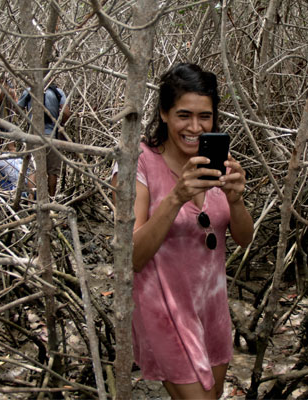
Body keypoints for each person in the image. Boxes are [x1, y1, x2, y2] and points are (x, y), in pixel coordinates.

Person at [112, 63, 254, 399]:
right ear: (163, 113)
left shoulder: (215, 161)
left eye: (205, 116)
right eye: (183, 115)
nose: (195, 127)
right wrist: (176, 197)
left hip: (211, 307)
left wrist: (236, 201)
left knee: (214, 396)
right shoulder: (137, 162)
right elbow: (131, 256)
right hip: (162, 308)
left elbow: (244, 238)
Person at [17, 82, 71, 197]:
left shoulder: (30, 89)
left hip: (34, 135)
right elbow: (66, 113)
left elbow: (18, 107)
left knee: (33, 169)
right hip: (52, 137)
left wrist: (28, 118)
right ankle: (51, 199)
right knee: (53, 172)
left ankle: (31, 200)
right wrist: (59, 123)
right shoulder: (58, 92)